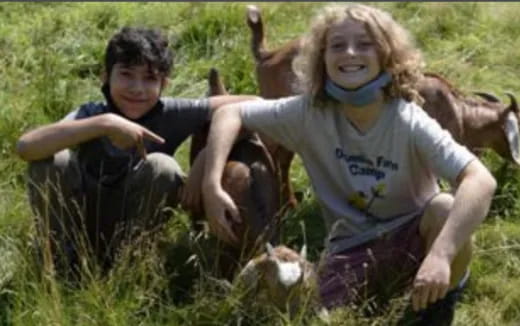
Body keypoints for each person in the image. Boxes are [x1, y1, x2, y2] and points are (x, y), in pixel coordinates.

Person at [201, 4, 496, 324]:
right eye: (337, 45)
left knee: (443, 207)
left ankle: (437, 306)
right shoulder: (308, 114)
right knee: (299, 310)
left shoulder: (407, 119)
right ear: (322, 58)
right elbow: (230, 113)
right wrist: (211, 183)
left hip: (417, 244)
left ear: (386, 54)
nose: (350, 53)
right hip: (349, 252)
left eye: (365, 44)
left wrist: (440, 255)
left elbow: (480, 179)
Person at [16, 26, 258, 275]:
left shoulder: (171, 113)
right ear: (105, 76)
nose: (137, 88)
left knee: (163, 166)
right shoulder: (90, 114)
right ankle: (60, 265)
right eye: (127, 74)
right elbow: (26, 147)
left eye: (150, 78)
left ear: (164, 83)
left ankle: (132, 268)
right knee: (51, 161)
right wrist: (104, 124)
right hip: (78, 225)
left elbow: (254, 105)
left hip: (131, 231)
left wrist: (206, 159)